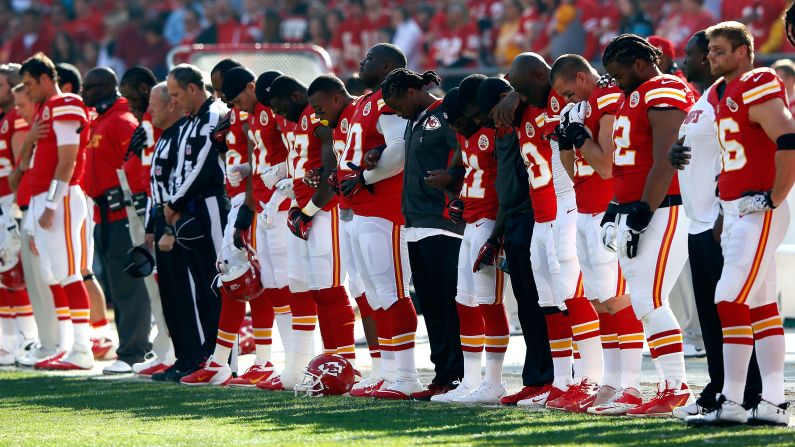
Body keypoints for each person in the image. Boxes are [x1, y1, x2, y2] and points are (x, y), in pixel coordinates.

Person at [686, 21, 795, 427]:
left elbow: (787, 136)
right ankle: (770, 402)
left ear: (743, 52)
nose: (711, 56)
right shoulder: (717, 92)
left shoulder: (758, 81)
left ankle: (731, 401)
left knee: (728, 299)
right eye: (709, 50)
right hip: (733, 210)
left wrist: (775, 196)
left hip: (755, 210)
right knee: (762, 308)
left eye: (719, 50)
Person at [668, 30, 763, 420]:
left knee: (732, 312)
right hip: (697, 219)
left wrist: (726, 210)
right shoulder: (705, 98)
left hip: (719, 220)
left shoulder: (731, 96)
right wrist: (676, 150)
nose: (687, 62)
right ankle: (719, 386)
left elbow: (738, 150)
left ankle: (750, 391)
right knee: (711, 318)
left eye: (693, 55)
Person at [601, 34, 696, 416]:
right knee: (644, 300)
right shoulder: (631, 96)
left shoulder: (665, 88)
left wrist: (643, 209)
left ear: (639, 64)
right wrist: (616, 206)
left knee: (649, 299)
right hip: (635, 206)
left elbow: (666, 157)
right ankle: (666, 385)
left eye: (617, 72)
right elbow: (630, 162)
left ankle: (676, 387)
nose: (613, 80)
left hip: (664, 207)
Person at [550, 54, 647, 414]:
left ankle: (632, 385)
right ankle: (611, 382)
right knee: (599, 300)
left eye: (568, 91)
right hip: (585, 208)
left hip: (609, 209)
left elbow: (605, 166)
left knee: (617, 298)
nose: (567, 99)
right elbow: (573, 172)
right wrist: (565, 142)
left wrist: (580, 137)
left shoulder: (606, 99)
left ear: (581, 77)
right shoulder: (580, 106)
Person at [257, 74, 356, 391]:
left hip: (323, 211)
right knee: (301, 288)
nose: (276, 112)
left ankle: (345, 366)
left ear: (297, 96)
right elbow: (306, 166)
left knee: (329, 288)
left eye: (278, 105)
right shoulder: (293, 119)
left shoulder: (316, 115)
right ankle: (298, 367)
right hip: (303, 209)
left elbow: (331, 170)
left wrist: (309, 209)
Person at [335, 43, 421, 400]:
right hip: (359, 209)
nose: (360, 62)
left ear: (387, 65)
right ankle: (387, 369)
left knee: (392, 292)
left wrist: (363, 180)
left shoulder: (391, 98)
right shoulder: (362, 103)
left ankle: (406, 375)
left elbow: (398, 150)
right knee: (373, 295)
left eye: (368, 59)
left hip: (385, 208)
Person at [381, 70, 470, 402]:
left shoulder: (446, 111)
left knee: (447, 302)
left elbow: (465, 151)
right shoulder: (415, 120)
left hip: (442, 221)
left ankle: (458, 374)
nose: (395, 110)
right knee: (431, 305)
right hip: (416, 223)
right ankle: (442, 374)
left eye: (395, 103)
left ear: (410, 92)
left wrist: (452, 178)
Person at [305, 74, 387, 391]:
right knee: (362, 292)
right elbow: (340, 170)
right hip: (348, 211)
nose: (316, 115)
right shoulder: (339, 123)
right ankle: (378, 366)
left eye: (319, 106)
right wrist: (323, 178)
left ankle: (391, 366)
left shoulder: (364, 110)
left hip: (375, 212)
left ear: (338, 97)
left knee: (379, 292)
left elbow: (385, 150)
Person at [19, 52, 93, 370]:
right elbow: (29, 162)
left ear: (46, 79)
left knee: (69, 273)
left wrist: (50, 202)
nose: (27, 90)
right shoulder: (44, 110)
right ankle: (66, 346)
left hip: (59, 197)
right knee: (53, 275)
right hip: (44, 198)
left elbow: (68, 160)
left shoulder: (64, 104)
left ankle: (81, 348)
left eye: (29, 84)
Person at [82, 67, 152, 374]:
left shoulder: (122, 121)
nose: (85, 92)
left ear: (106, 88)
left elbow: (136, 166)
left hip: (124, 212)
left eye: (90, 87)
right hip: (105, 213)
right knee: (117, 283)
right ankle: (130, 348)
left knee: (129, 284)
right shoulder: (103, 120)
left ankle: (135, 350)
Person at [164, 64, 229, 373]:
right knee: (202, 284)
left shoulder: (213, 114)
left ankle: (226, 359)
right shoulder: (190, 121)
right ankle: (209, 354)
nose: (173, 101)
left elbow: (204, 164)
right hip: (191, 206)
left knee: (218, 280)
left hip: (212, 203)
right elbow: (180, 168)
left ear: (193, 88)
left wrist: (174, 201)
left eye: (176, 94)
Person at [145, 82, 196, 382]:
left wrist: (170, 228)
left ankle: (192, 358)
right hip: (163, 224)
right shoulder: (166, 136)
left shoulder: (181, 136)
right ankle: (182, 357)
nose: (150, 109)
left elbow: (180, 186)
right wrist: (153, 225)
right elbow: (158, 186)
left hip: (177, 225)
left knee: (184, 294)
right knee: (171, 297)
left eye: (155, 103)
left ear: (173, 105)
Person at [10, 83, 58, 367]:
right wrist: (28, 142)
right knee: (35, 281)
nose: (18, 111)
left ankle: (55, 342)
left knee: (48, 278)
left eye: (22, 104)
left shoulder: (48, 129)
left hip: (44, 209)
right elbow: (16, 180)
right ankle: (45, 341)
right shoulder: (31, 135)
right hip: (27, 209)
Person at [0, 64, 37, 365]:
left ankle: (25, 337)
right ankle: (9, 339)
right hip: (4, 199)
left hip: (10, 199)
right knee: (3, 274)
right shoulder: (7, 117)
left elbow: (20, 164)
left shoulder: (17, 118)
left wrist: (14, 202)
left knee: (13, 273)